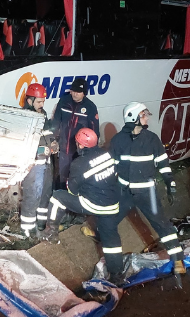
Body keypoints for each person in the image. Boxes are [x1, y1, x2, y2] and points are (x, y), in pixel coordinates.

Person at [40, 128, 125, 284]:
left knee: (58, 197)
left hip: (93, 204)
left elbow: (72, 191)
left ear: (80, 144)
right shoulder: (106, 154)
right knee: (111, 239)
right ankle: (117, 275)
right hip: (112, 204)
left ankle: (51, 232)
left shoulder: (79, 164)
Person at [110, 102, 186, 275]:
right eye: (144, 115)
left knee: (163, 226)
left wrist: (170, 184)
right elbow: (111, 168)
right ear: (133, 117)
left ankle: (178, 260)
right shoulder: (118, 140)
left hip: (147, 193)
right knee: (109, 222)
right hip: (125, 193)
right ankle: (114, 268)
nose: (147, 117)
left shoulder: (152, 139)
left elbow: (163, 164)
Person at [19, 83, 58, 236]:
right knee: (32, 196)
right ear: (30, 101)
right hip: (34, 165)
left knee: (45, 195)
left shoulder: (43, 115)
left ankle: (41, 224)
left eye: (43, 101)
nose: (42, 105)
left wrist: (54, 142)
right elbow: (22, 144)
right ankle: (28, 230)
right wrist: (41, 150)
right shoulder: (24, 118)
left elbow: (48, 134)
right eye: (39, 102)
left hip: (47, 164)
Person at [52, 77, 99, 188]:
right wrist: (53, 139)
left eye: (78, 92)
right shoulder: (64, 101)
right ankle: (62, 198)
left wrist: (90, 152)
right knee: (63, 176)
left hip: (80, 152)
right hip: (64, 149)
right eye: (73, 91)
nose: (75, 94)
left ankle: (75, 199)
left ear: (84, 93)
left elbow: (94, 131)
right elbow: (56, 122)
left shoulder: (90, 107)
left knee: (78, 177)